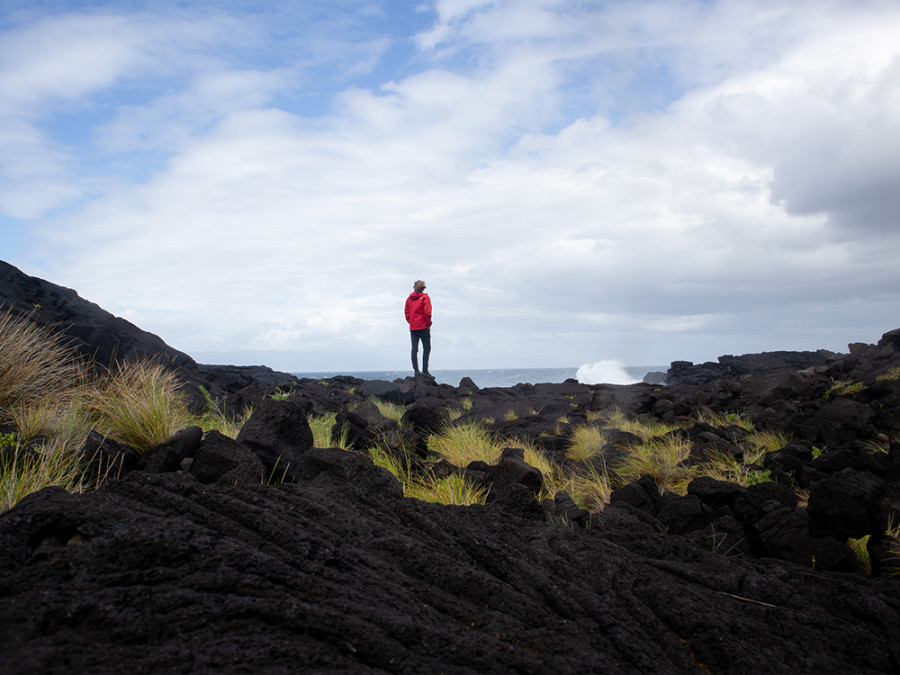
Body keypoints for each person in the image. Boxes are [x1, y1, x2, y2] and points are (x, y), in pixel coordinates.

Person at [404, 280, 434, 379]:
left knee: (414, 349)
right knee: (427, 348)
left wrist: (411, 322)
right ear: (423, 288)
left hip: (413, 327)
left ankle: (416, 371)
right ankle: (425, 371)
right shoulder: (425, 298)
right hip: (423, 326)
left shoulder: (409, 299)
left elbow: (406, 313)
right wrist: (428, 324)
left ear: (414, 287)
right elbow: (427, 312)